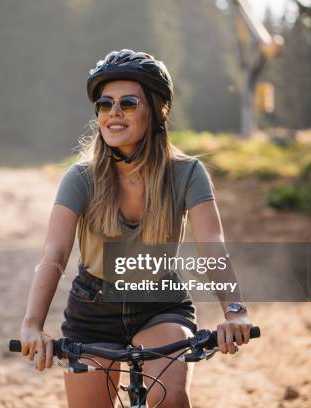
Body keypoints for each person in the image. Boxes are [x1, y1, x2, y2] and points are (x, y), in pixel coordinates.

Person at [18, 49, 253, 408]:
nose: (114, 112)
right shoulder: (80, 178)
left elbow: (212, 244)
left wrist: (234, 312)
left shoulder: (186, 173)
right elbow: (55, 253)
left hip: (159, 303)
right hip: (92, 309)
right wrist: (32, 325)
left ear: (156, 113)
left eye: (128, 103)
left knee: (168, 398)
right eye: (104, 104)